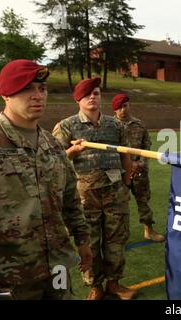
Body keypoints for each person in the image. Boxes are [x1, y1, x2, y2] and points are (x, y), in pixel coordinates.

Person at [0, 59, 92, 300]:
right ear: (6, 95)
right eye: (26, 88)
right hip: (11, 273)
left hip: (57, 265)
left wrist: (83, 240)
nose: (37, 95)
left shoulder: (51, 143)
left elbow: (69, 198)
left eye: (42, 89)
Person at [52, 78, 134, 300]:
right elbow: (52, 160)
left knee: (116, 239)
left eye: (96, 93)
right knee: (89, 241)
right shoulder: (67, 126)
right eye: (87, 94)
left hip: (116, 192)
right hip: (85, 197)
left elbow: (125, 155)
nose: (92, 97)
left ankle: (114, 283)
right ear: (78, 99)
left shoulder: (115, 124)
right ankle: (95, 285)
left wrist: (126, 184)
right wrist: (72, 152)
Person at [111, 94, 164, 242]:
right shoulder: (110, 126)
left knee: (143, 201)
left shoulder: (139, 125)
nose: (123, 109)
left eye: (125, 105)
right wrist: (125, 166)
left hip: (139, 172)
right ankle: (119, 235)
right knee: (119, 204)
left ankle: (149, 230)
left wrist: (139, 164)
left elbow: (147, 145)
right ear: (114, 110)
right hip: (120, 172)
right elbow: (109, 150)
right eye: (119, 107)